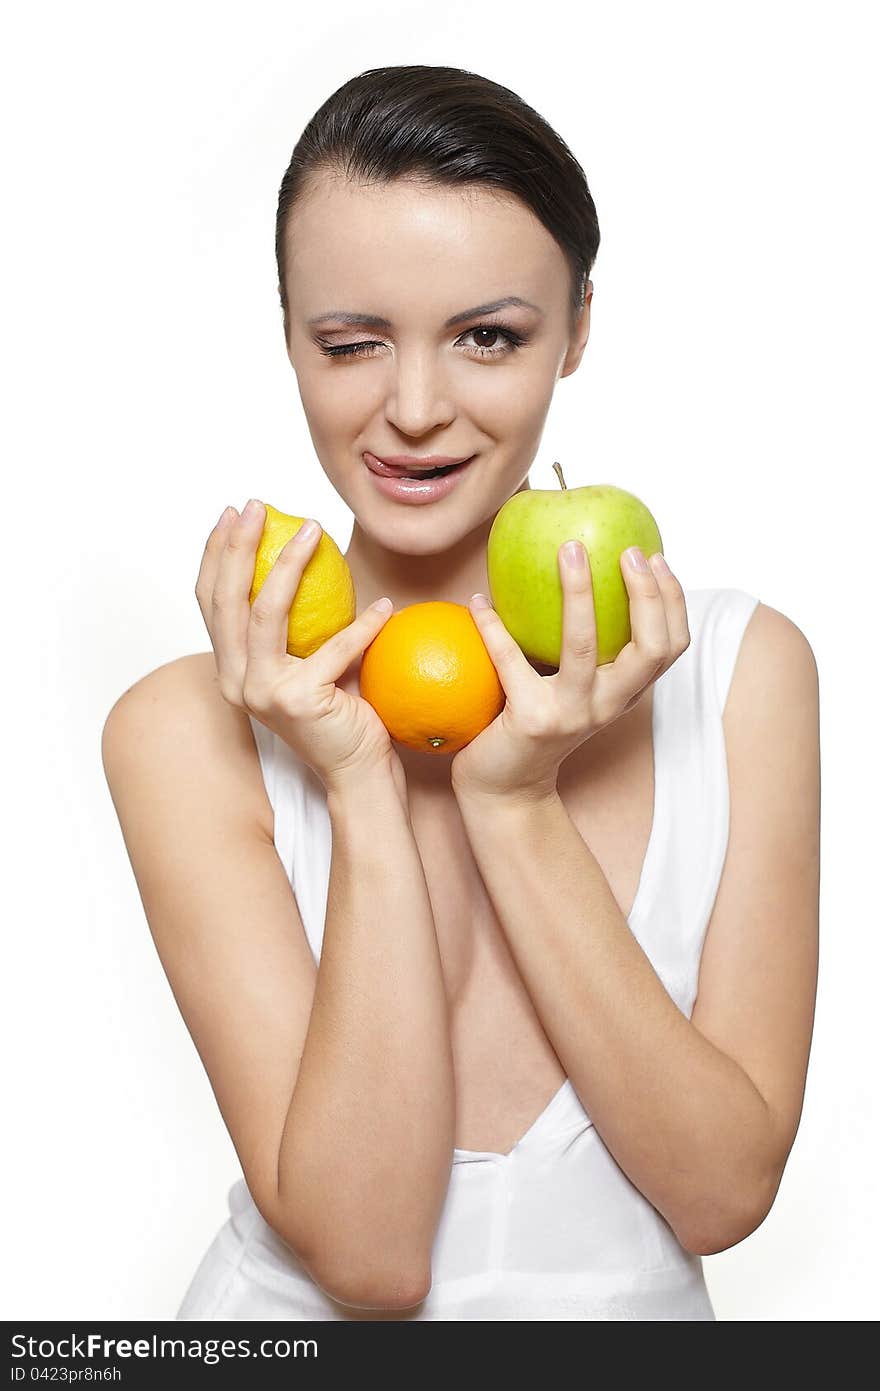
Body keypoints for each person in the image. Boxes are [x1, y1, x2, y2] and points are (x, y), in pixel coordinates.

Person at [101, 65, 821, 1321]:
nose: (417, 410)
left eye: (488, 334)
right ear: (287, 333)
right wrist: (355, 776)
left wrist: (513, 802)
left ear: (579, 326)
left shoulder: (737, 675)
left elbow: (720, 1192)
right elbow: (369, 1262)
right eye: (350, 341)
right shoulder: (186, 727)